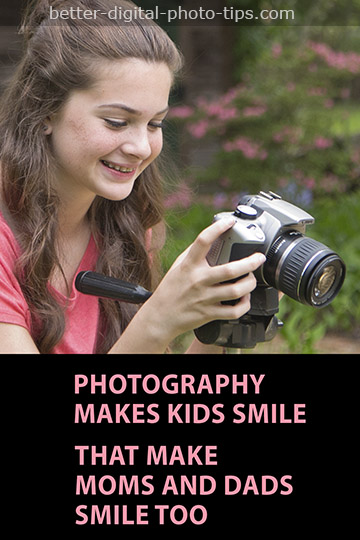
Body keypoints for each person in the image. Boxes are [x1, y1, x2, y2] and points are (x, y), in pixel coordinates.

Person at [0, 0, 266, 354]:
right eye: (116, 122)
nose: (142, 147)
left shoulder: (129, 225)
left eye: (155, 123)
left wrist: (221, 319)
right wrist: (157, 321)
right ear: (45, 108)